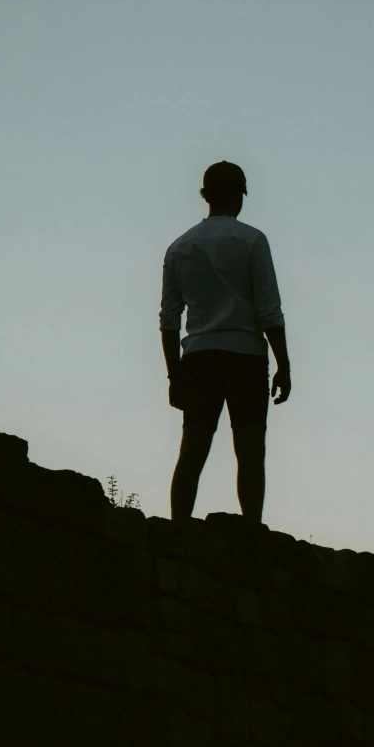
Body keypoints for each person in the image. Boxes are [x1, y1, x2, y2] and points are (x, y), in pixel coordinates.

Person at [159, 161, 291, 524]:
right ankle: (251, 531)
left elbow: (169, 319)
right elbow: (269, 311)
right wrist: (284, 364)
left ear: (205, 196)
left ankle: (178, 528)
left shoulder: (179, 247)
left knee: (192, 449)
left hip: (199, 357)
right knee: (249, 451)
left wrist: (174, 374)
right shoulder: (252, 240)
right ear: (239, 194)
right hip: (245, 356)